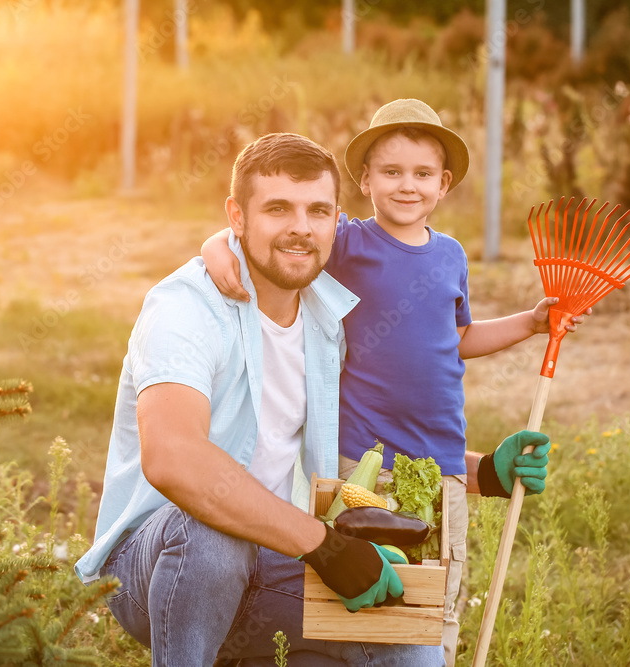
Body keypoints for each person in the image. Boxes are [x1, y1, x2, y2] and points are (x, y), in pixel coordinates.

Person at [200, 99, 579, 665]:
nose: (408, 186)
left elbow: (458, 337)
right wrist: (216, 247)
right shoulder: (351, 242)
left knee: (437, 589)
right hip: (364, 459)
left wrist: (530, 322)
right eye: (392, 172)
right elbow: (278, 239)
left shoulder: (451, 255)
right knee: (366, 589)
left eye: (423, 174)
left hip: (442, 455)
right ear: (365, 179)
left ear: (443, 183)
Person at [74, 132, 448, 666]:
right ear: (237, 216)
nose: (301, 226)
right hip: (155, 565)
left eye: (318, 211)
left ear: (336, 223)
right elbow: (173, 458)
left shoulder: (328, 317)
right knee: (212, 534)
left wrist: (483, 471)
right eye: (277, 208)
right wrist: (322, 544)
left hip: (274, 559)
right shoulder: (185, 310)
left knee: (406, 641)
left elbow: (374, 437)